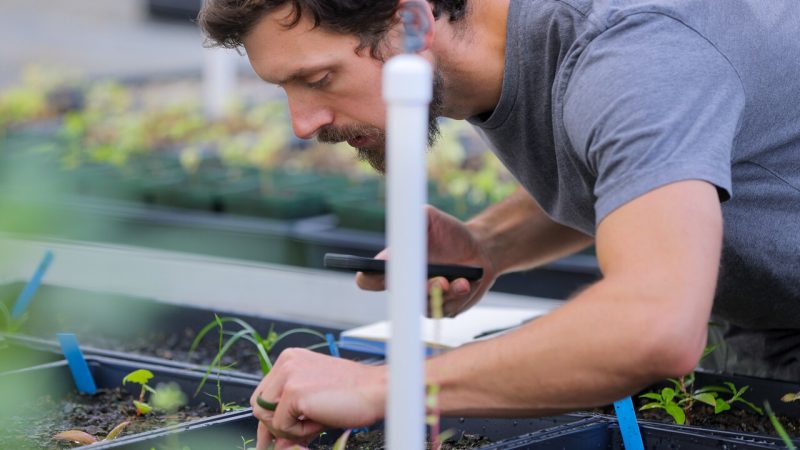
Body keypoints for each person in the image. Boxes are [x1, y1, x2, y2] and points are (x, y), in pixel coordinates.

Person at [197, 0, 800, 448]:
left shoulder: (634, 53)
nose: (302, 123)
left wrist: (387, 386)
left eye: (319, 78)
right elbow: (642, 171)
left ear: (412, 21)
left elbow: (654, 325)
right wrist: (490, 241)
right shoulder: (521, 48)